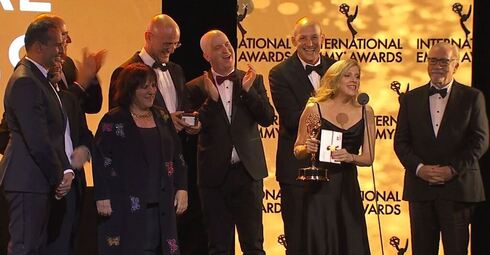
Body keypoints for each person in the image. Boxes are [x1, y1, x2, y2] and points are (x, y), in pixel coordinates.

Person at [107, 13, 204, 254]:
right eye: (166, 44)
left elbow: (183, 108)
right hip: (141, 174)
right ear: (148, 37)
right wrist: (162, 122)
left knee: (170, 238)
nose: (171, 49)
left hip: (173, 166)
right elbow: (117, 125)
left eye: (175, 44)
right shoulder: (124, 71)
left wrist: (192, 124)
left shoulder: (177, 70)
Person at [394, 42, 489, 255]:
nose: (438, 66)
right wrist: (420, 169)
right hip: (421, 190)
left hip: (457, 190)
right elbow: (400, 142)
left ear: (455, 65)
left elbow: (480, 141)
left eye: (444, 61)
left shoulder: (473, 97)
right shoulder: (410, 99)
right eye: (433, 60)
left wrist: (451, 169)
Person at [186, 30, 274, 255]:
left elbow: (267, 118)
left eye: (227, 45)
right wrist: (211, 101)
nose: (226, 50)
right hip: (214, 177)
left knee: (254, 245)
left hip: (248, 173)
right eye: (218, 47)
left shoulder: (252, 80)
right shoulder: (195, 87)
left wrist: (248, 91)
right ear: (207, 56)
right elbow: (192, 128)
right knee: (219, 246)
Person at [93, 63, 187, 255]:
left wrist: (182, 187)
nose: (151, 91)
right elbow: (101, 160)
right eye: (145, 87)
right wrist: (102, 195)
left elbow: (177, 155)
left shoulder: (162, 117)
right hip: (125, 208)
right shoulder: (113, 120)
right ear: (131, 89)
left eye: (153, 85)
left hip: (161, 207)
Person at [0, 19, 74, 255]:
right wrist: (58, 176)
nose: (62, 52)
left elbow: (54, 132)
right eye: (58, 45)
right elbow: (38, 139)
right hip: (27, 181)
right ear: (39, 46)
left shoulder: (41, 77)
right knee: (25, 248)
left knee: (36, 248)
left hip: (37, 181)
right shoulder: (26, 80)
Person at [268, 17, 335, 254]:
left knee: (331, 237)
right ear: (293, 41)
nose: (310, 43)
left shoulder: (338, 69)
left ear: (323, 39)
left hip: (334, 167)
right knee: (298, 239)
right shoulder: (279, 73)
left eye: (314, 37)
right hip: (295, 168)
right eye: (303, 38)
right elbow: (293, 117)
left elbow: (348, 115)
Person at [294, 59, 374, 255]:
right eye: (348, 75)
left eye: (357, 76)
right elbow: (297, 149)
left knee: (351, 242)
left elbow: (368, 158)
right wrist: (308, 147)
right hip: (320, 189)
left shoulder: (366, 111)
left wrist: (350, 157)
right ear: (335, 80)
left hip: (348, 189)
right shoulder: (315, 108)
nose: (354, 80)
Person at [43, 58, 93, 255]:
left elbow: (85, 135)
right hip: (45, 184)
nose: (57, 68)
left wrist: (84, 150)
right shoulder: (29, 98)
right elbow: (5, 135)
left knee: (67, 244)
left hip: (73, 184)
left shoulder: (68, 99)